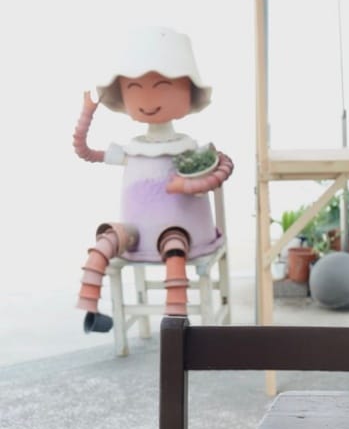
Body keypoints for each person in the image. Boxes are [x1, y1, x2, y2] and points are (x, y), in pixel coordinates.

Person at [73, 26, 233, 333]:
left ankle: (176, 323)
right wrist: (86, 113)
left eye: (162, 86)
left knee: (174, 250)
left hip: (183, 234)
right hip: (135, 234)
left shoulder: (190, 150)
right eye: (134, 88)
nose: (147, 98)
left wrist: (188, 185)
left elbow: (221, 169)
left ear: (188, 91)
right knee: (102, 246)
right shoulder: (131, 150)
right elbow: (84, 150)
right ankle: (91, 312)